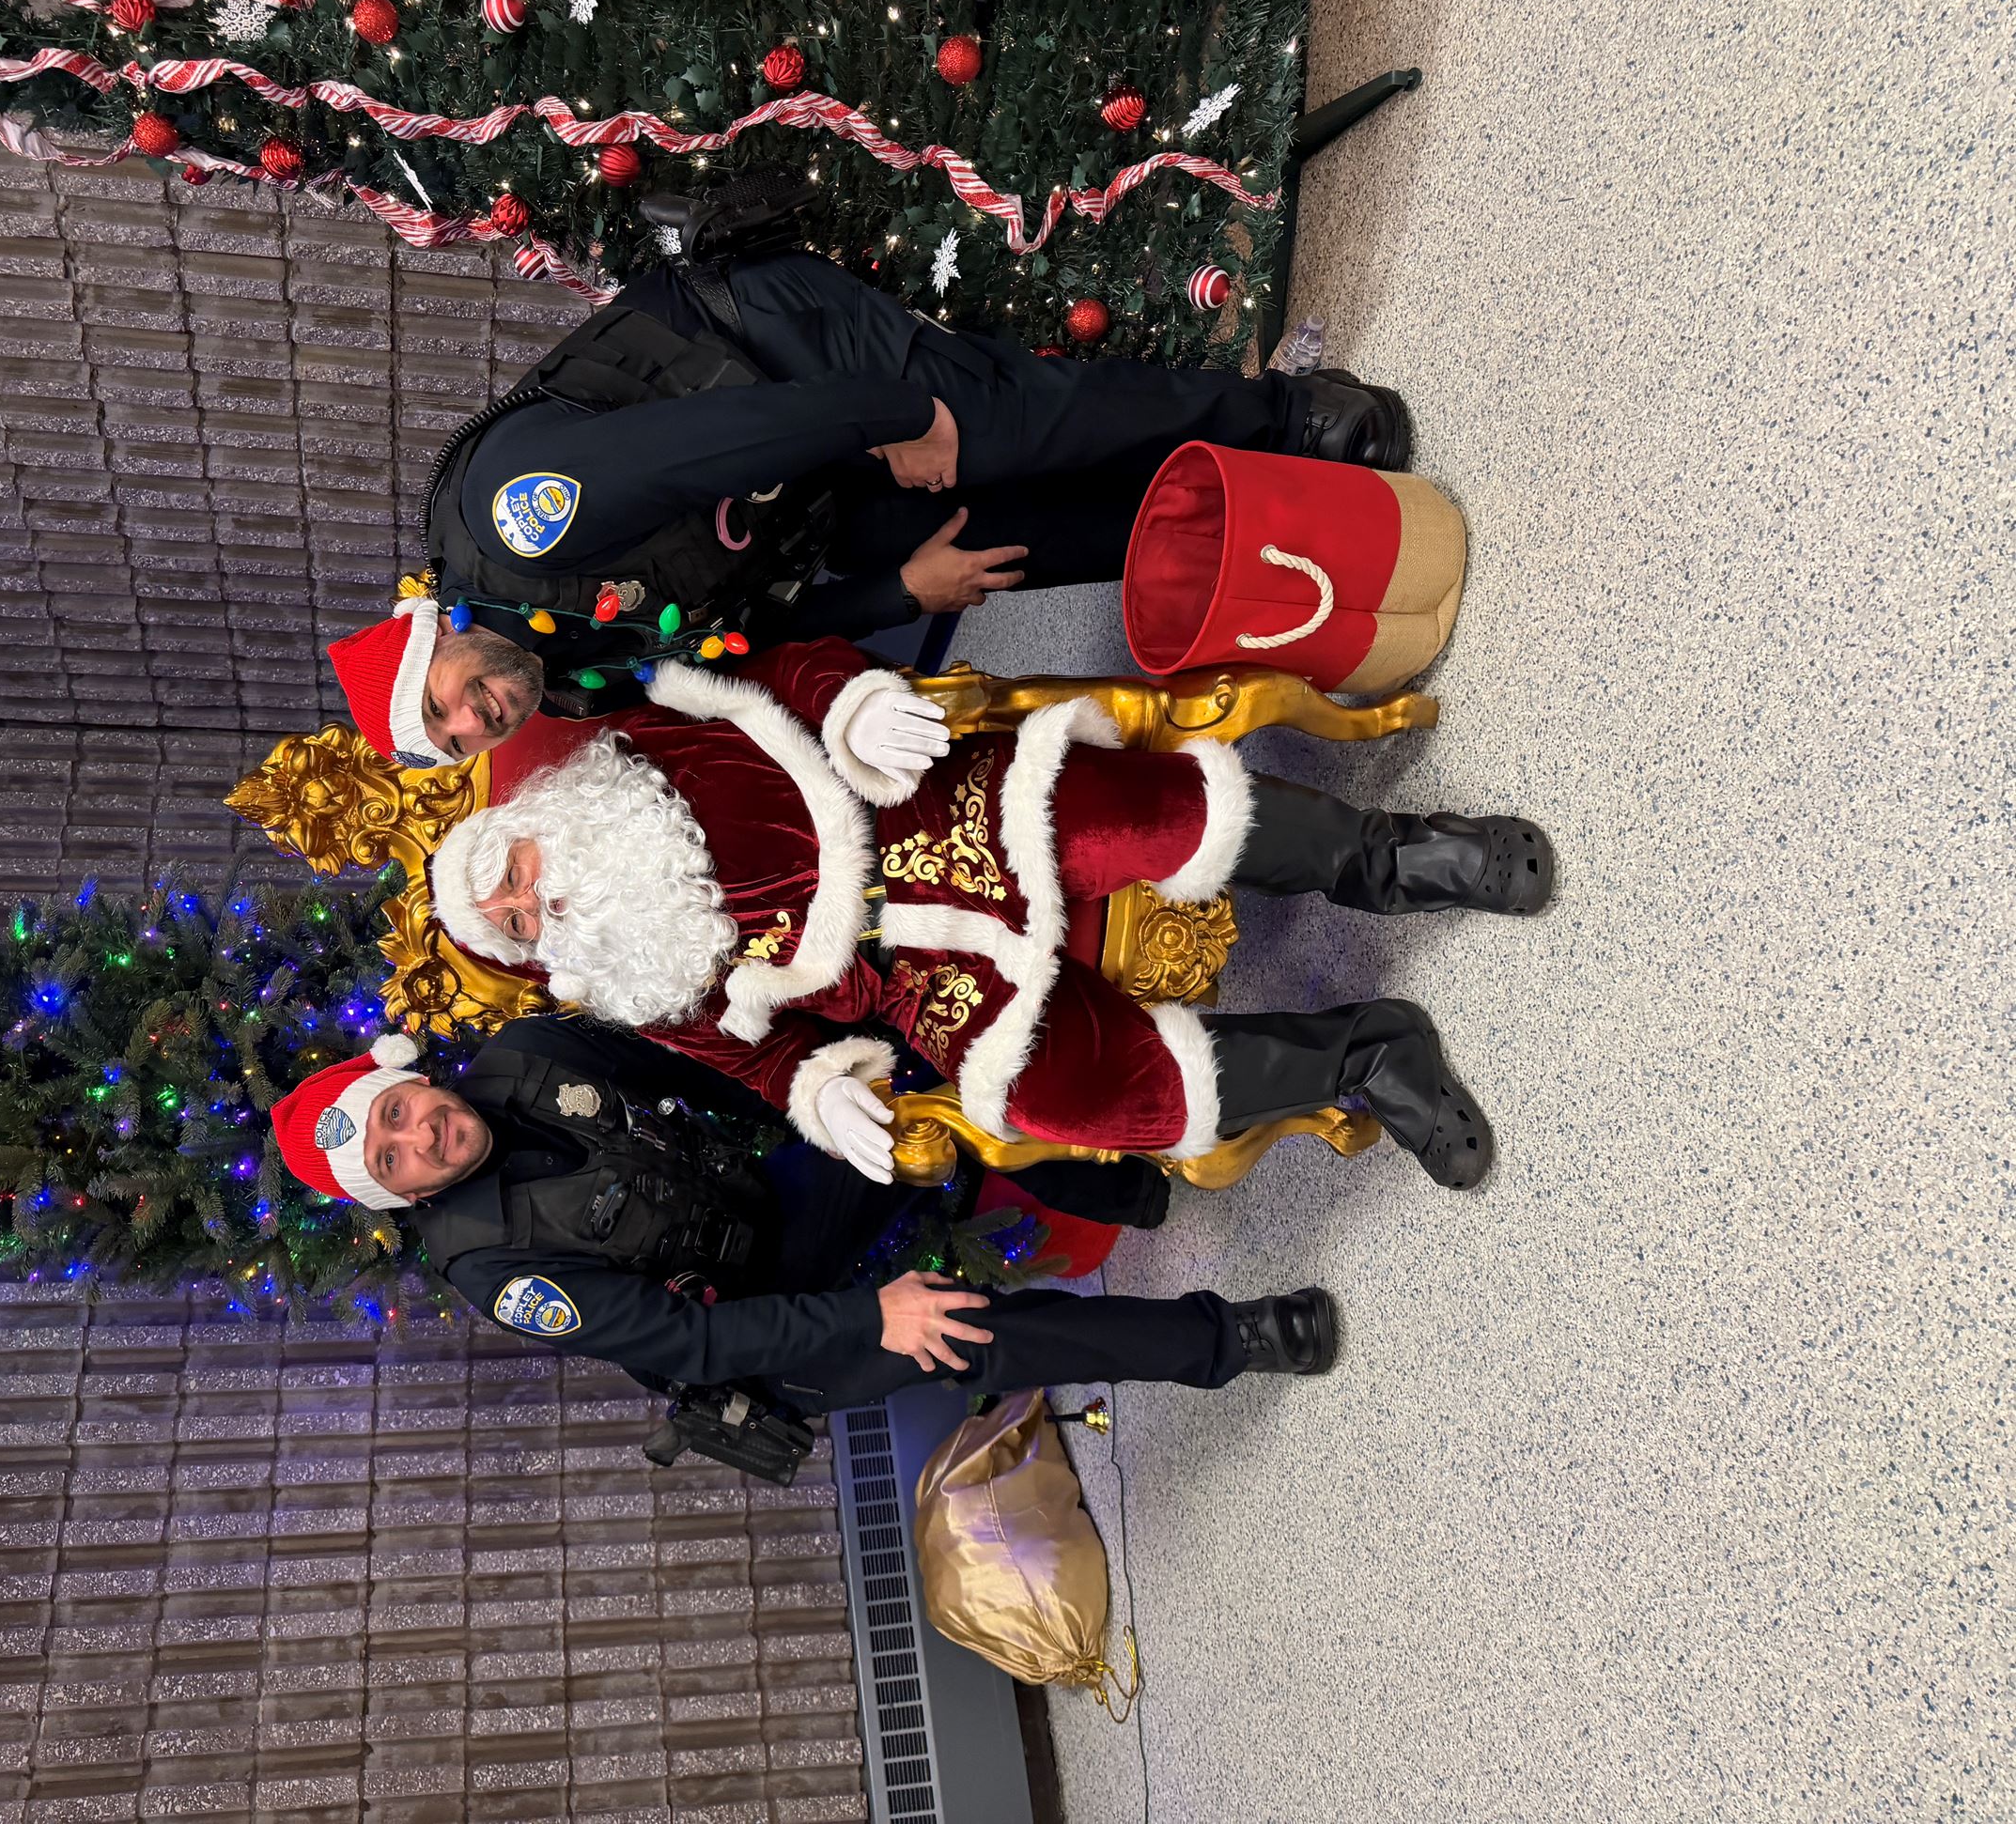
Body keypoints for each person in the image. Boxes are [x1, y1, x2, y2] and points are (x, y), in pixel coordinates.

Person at [373, 634, 1551, 1192]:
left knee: (1149, 823)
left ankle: (1398, 859)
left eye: (514, 870)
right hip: (912, 980)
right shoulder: (634, 986)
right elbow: (763, 1056)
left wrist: (846, 707)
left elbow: (787, 674)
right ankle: (1369, 1057)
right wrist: (813, 1090)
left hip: (934, 816)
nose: (537, 900)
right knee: (1073, 1093)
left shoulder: (637, 748)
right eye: (517, 922)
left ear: (530, 820)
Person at [331, 240, 1415, 759]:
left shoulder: (513, 523)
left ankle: (1281, 414)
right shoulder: (564, 678)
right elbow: (737, 641)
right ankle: (1252, 512)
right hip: (798, 496)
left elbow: (711, 440)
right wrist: (899, 588)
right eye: (462, 739)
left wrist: (893, 420)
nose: (477, 717)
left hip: (762, 349)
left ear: (433, 636)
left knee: (984, 425)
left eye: (443, 701)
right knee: (992, 549)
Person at [267, 1018, 1341, 1412]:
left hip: (762, 1205)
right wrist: (870, 1320)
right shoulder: (488, 1266)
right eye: (393, 1157)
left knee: (903, 1088)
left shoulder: (523, 1055)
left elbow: (709, 1073)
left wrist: (823, 1095)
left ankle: (1134, 1186)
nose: (421, 1137)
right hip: (752, 1335)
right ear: (398, 1195)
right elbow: (688, 1342)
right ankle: (1224, 1340)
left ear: (408, 1082)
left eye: (398, 1111)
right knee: (956, 1334)